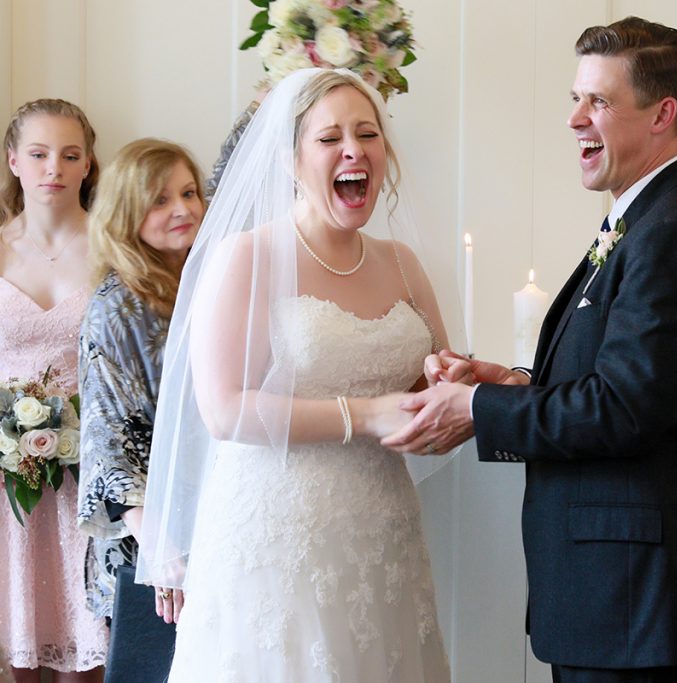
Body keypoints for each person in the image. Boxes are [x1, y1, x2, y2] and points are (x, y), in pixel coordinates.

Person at [385, 16, 677, 683]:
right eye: (575, 99)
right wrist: (514, 381)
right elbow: (615, 380)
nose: (575, 118)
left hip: (635, 601)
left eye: (599, 101)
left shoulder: (674, 232)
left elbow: (625, 408)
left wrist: (476, 406)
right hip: (613, 600)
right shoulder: (645, 218)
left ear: (662, 113)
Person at [137, 68, 452, 680]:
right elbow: (224, 408)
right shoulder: (248, 256)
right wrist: (366, 414)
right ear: (289, 159)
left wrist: (452, 380)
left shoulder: (403, 264)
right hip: (278, 533)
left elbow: (429, 382)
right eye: (330, 138)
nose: (353, 150)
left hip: (382, 527)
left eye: (368, 134)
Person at [76, 139, 206, 682]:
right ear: (128, 213)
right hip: (150, 539)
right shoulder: (116, 304)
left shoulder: (201, 280)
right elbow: (109, 442)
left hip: (208, 516)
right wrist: (163, 553)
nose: (183, 208)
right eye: (159, 200)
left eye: (190, 192)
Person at [0, 99, 107, 682]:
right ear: (14, 160)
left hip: (87, 470)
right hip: (5, 482)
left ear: (89, 164)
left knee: (84, 656)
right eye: (39, 154)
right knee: (17, 652)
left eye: (70, 155)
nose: (54, 169)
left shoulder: (115, 248)